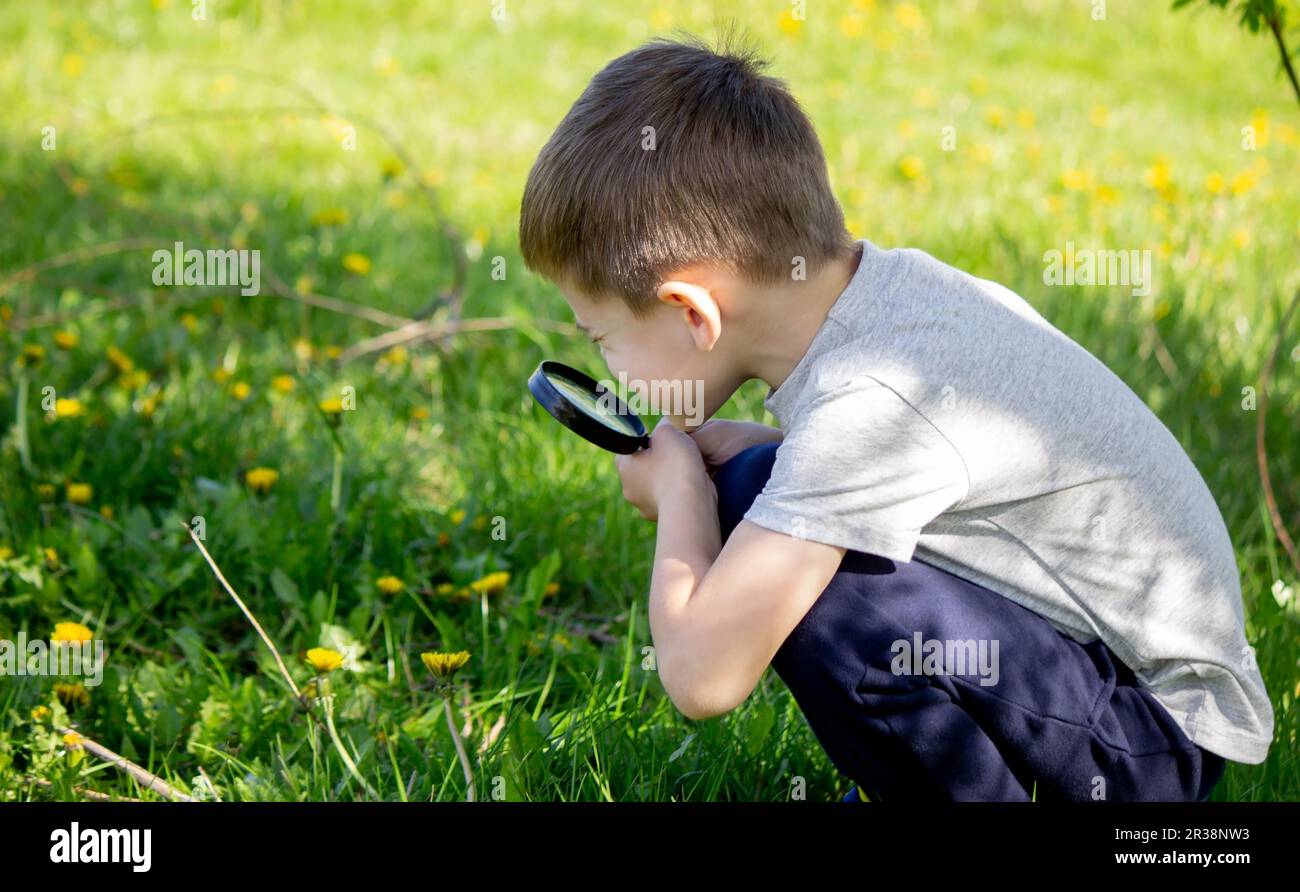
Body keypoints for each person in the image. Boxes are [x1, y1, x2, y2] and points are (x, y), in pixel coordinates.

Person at [517, 31, 1270, 800]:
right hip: (1117, 688)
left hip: (1146, 746)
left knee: (805, 562)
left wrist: (680, 494)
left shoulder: (872, 402)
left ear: (691, 312)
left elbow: (702, 677)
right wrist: (765, 456)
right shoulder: (894, 302)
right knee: (759, 484)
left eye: (602, 338)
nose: (612, 366)